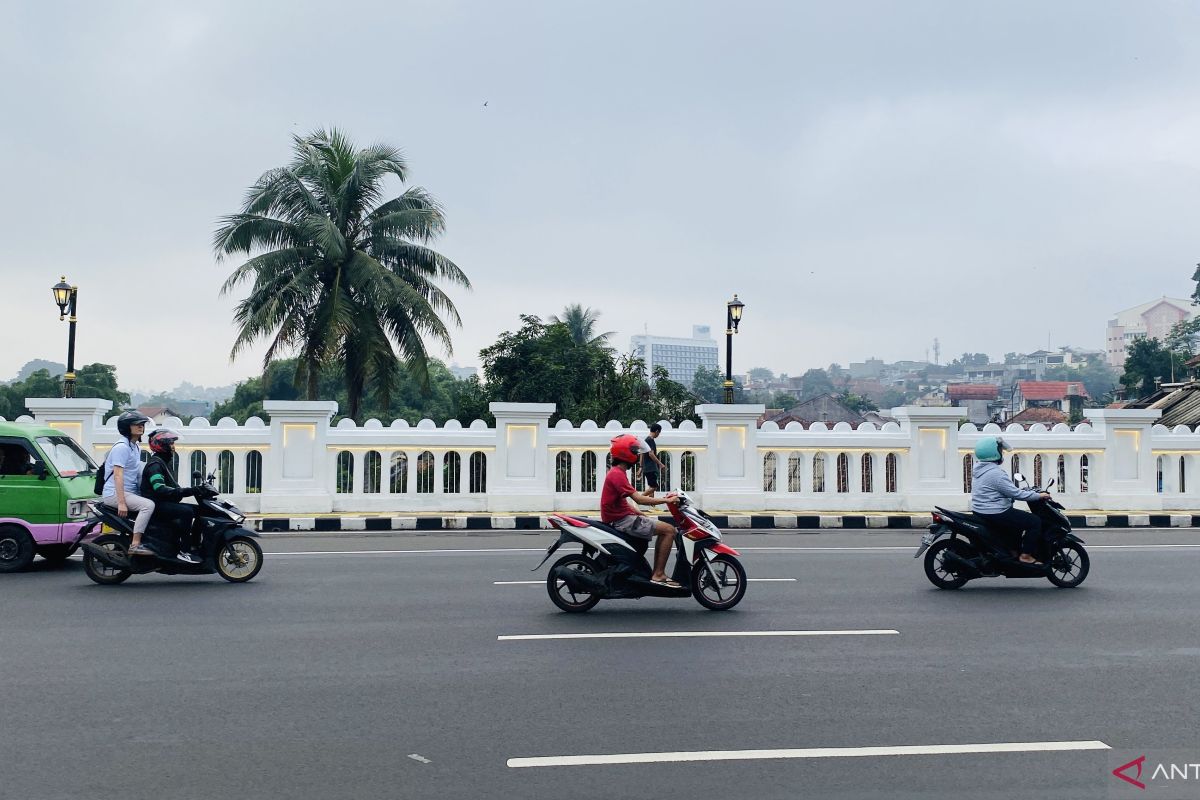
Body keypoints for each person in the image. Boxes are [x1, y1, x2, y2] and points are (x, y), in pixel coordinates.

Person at [602, 434, 680, 587]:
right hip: (622, 521)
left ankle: (654, 572)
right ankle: (658, 574)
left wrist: (638, 512)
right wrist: (667, 500)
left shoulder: (618, 472)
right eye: (635, 452)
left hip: (622, 518)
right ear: (627, 454)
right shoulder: (617, 474)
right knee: (669, 530)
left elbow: (623, 501)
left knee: (662, 528)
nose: (638, 455)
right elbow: (639, 499)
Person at [970, 436, 1051, 566]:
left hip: (981, 510)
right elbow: (1016, 493)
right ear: (994, 453)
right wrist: (1039, 496)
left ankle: (1013, 551)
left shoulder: (979, 469)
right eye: (1001, 451)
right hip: (995, 511)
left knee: (1016, 522)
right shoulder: (996, 473)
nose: (1002, 453)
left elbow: (1001, 491)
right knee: (1034, 522)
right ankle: (1025, 556)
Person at [140, 429, 201, 564]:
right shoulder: (155, 465)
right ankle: (183, 551)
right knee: (187, 512)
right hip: (156, 504)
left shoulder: (163, 462)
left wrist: (193, 490)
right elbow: (160, 489)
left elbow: (171, 487)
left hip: (162, 502)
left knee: (199, 510)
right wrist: (189, 491)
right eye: (170, 443)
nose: (173, 446)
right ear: (161, 445)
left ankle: (194, 545)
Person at [101, 411, 156, 556]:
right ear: (126, 427)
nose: (141, 427)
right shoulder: (122, 447)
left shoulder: (134, 447)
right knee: (148, 506)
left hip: (128, 492)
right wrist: (121, 503)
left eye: (142, 424)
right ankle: (135, 544)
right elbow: (118, 475)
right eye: (137, 424)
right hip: (114, 493)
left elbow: (136, 474)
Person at [640, 424, 665, 498]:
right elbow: (651, 454)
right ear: (657, 431)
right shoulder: (650, 440)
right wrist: (660, 464)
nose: (658, 435)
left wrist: (641, 466)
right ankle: (638, 498)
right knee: (654, 487)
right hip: (650, 468)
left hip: (647, 468)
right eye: (659, 433)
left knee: (651, 487)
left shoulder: (646, 440)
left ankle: (652, 505)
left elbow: (642, 454)